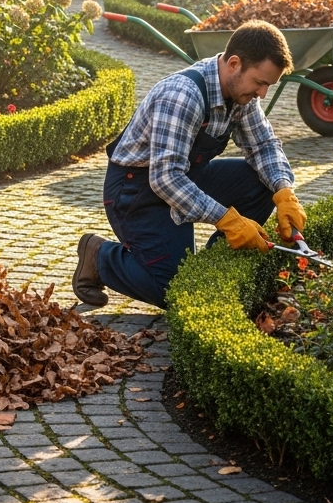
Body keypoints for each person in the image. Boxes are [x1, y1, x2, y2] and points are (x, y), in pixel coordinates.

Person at [72, 22, 306, 310]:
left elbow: (263, 145)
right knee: (176, 290)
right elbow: (165, 179)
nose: (262, 94)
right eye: (260, 83)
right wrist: (227, 220)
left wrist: (284, 192)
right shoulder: (183, 95)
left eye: (268, 85)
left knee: (261, 183)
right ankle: (100, 257)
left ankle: (215, 270)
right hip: (137, 193)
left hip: (183, 180)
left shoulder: (240, 95)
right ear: (234, 64)